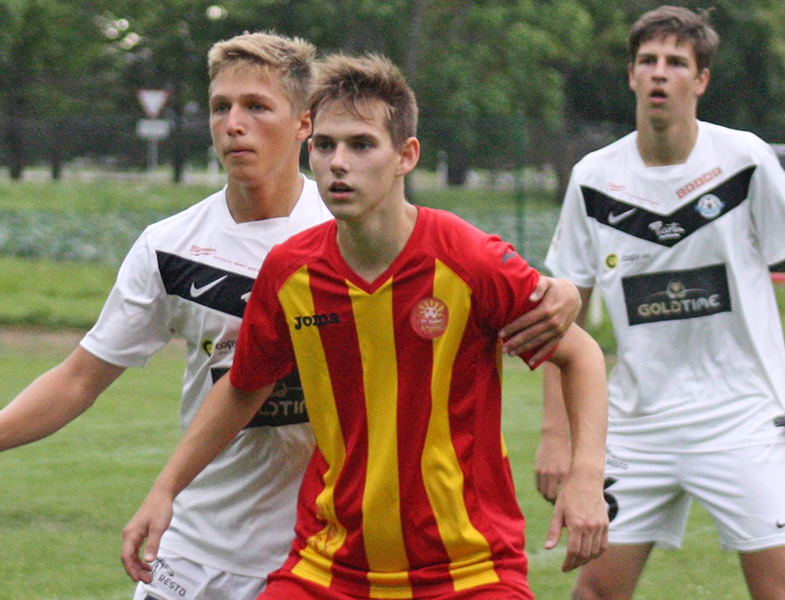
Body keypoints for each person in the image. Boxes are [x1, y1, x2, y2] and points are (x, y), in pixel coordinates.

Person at [0, 33, 580, 600]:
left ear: (303, 124)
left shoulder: (356, 222)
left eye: (256, 106)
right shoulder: (173, 246)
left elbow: (497, 292)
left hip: (318, 548)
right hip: (200, 533)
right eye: (221, 107)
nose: (233, 125)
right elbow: (86, 374)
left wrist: (564, 297)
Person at [121, 53, 610, 600]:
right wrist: (165, 489)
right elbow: (244, 386)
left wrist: (586, 475)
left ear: (406, 156)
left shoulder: (468, 259)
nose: (338, 163)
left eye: (360, 145)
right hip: (329, 569)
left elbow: (581, 354)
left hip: (469, 571)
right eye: (324, 145)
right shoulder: (289, 272)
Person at [537, 6, 785, 599]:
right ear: (631, 75)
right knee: (594, 593)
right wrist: (558, 432)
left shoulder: (745, 160)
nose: (660, 72)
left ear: (701, 80)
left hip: (744, 420)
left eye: (677, 62)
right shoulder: (593, 178)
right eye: (648, 60)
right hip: (637, 427)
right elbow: (560, 317)